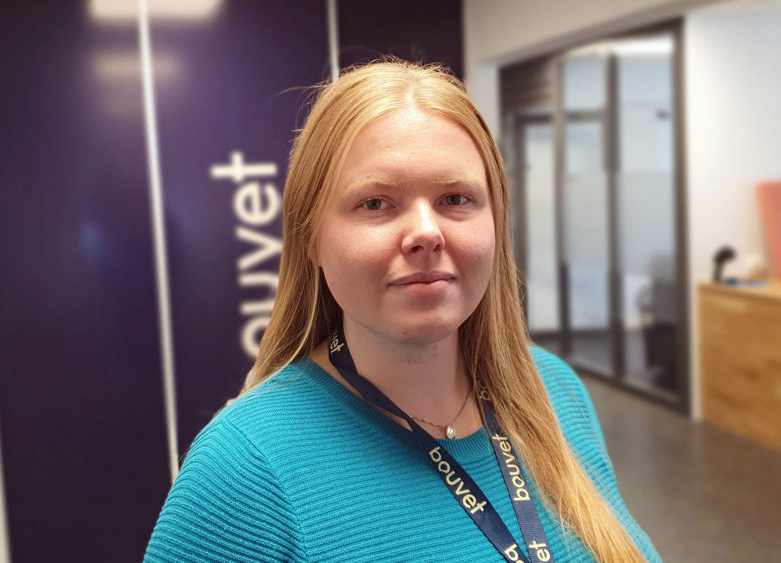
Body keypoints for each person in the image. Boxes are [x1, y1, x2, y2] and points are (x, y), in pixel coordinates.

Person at [144, 60, 660, 562]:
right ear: (310, 236)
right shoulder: (246, 470)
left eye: (456, 198)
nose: (427, 233)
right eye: (376, 203)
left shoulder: (555, 390)